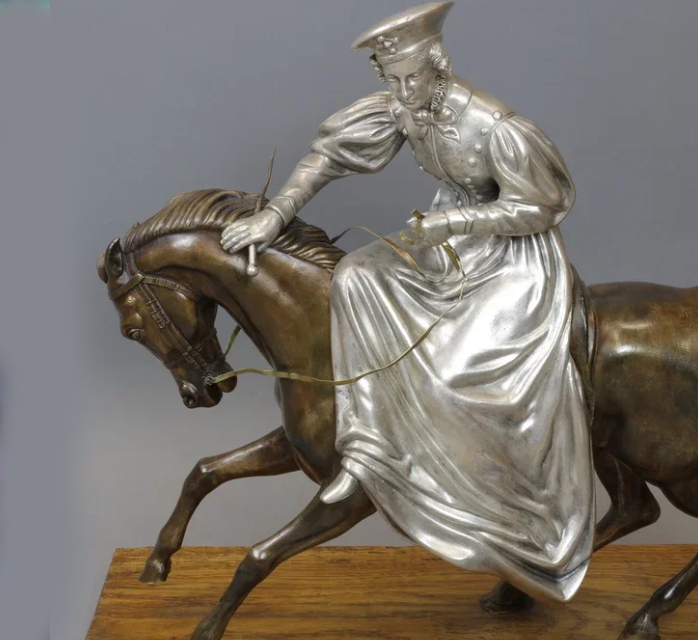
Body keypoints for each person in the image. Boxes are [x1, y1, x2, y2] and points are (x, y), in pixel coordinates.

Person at [220, 2, 593, 602]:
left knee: (459, 367)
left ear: (437, 65)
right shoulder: (403, 107)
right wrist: (275, 214)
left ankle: (493, 494)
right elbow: (328, 156)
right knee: (354, 277)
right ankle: (368, 445)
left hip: (511, 256)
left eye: (409, 79)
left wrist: (456, 223)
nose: (400, 93)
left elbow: (543, 206)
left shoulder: (495, 127)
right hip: (446, 238)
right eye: (390, 81)